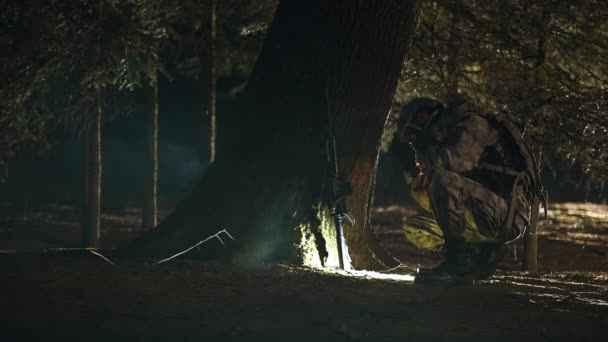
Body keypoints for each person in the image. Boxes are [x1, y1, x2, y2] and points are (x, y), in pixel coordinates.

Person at [390, 94, 540, 286]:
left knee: (445, 179)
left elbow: (454, 164)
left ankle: (456, 265)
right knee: (416, 227)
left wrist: (426, 149)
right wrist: (410, 170)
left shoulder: (474, 124)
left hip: (506, 214)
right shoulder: (445, 144)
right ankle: (478, 257)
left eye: (415, 132)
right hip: (482, 213)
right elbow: (431, 201)